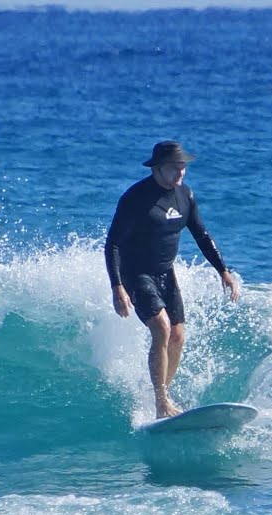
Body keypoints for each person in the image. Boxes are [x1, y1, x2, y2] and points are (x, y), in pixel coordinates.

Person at [104, 140, 240, 418]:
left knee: (178, 336)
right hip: (136, 273)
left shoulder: (185, 196)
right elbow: (113, 244)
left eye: (183, 167)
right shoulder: (135, 199)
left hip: (166, 272)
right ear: (157, 168)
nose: (180, 172)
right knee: (162, 328)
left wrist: (223, 271)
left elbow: (202, 235)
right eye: (174, 167)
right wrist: (117, 287)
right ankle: (160, 403)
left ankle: (161, 390)